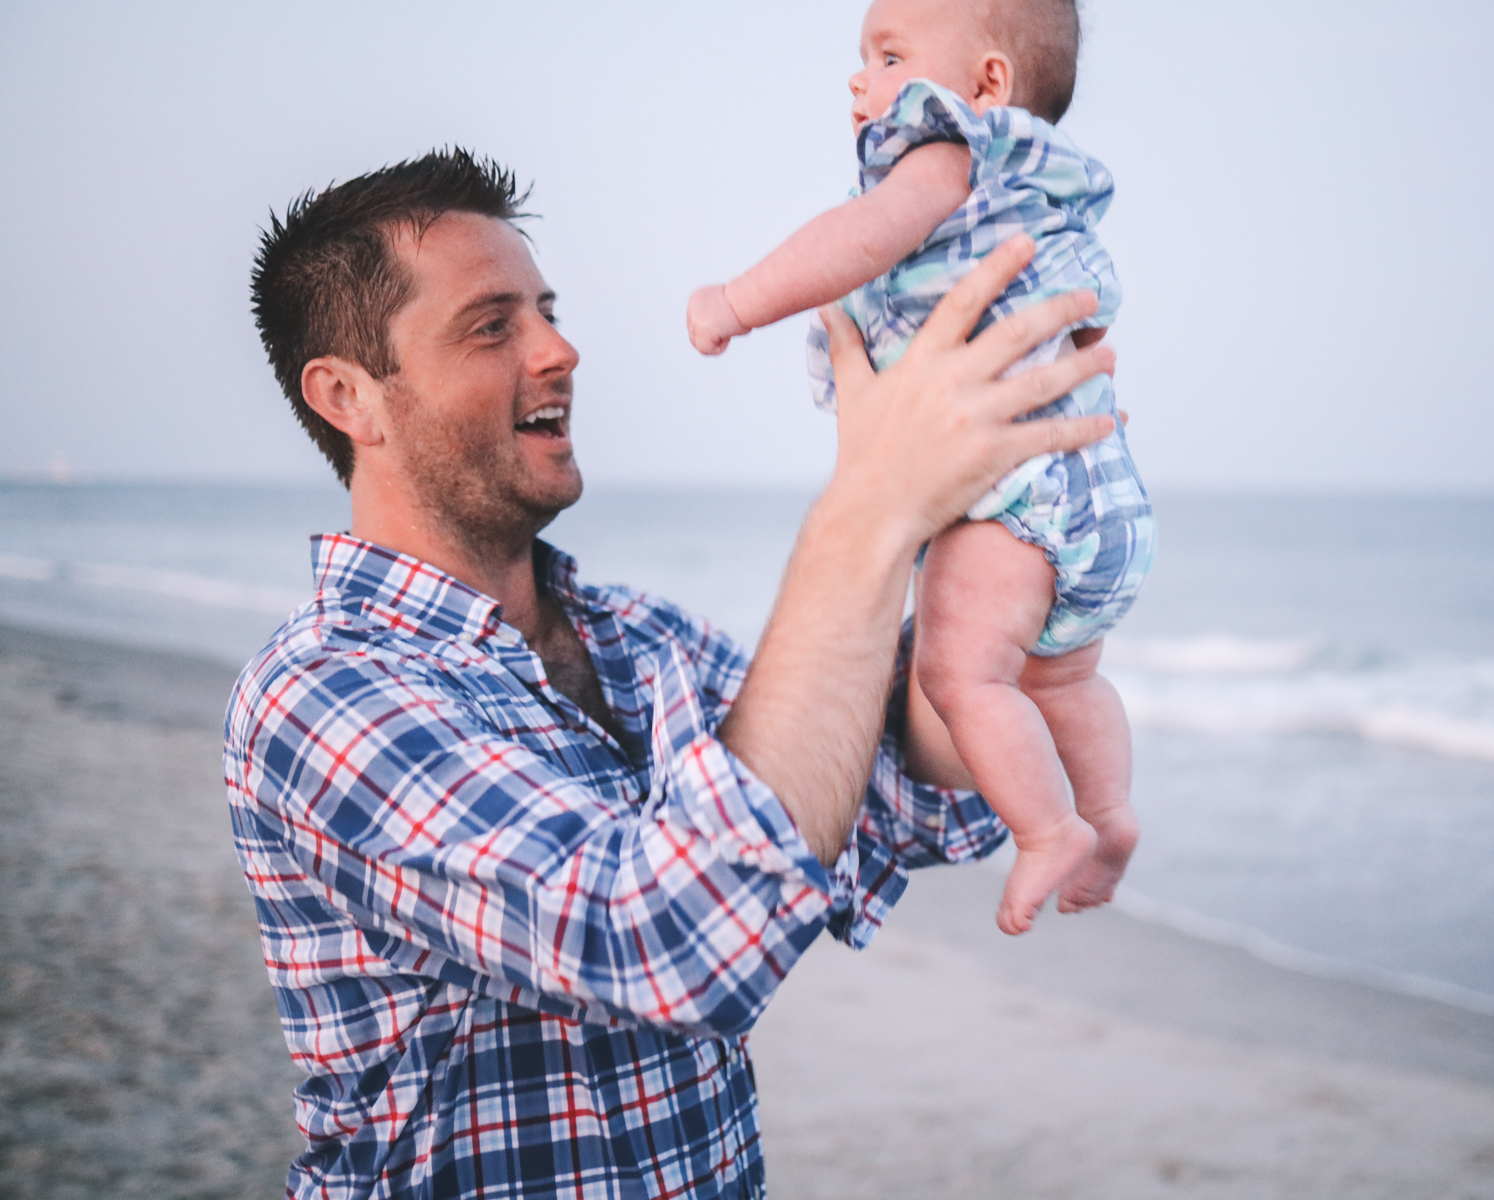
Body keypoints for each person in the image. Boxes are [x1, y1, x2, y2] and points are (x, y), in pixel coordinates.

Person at [227, 148, 1117, 1198]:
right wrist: (868, 512)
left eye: (546, 310)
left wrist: (1012, 535)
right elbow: (658, 943)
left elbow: (892, 786)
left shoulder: (637, 638)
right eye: (492, 325)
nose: (560, 350)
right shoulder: (324, 692)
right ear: (350, 398)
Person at [686, 0, 1154, 935]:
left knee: (962, 678)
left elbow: (857, 238)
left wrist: (736, 301)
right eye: (863, 56)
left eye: (889, 54)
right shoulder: (1042, 186)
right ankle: (1109, 815)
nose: (861, 80)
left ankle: (1048, 829)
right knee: (1063, 682)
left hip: (1012, 503)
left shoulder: (944, 152)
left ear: (985, 82)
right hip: (1099, 496)